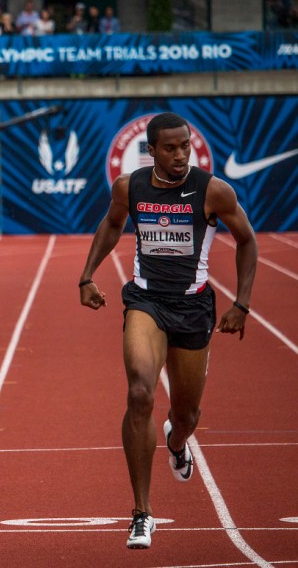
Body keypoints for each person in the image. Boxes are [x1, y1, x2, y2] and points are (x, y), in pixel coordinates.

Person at [78, 112, 258, 550]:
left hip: (193, 307)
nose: (181, 155)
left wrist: (242, 304)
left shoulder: (213, 190)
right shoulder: (131, 187)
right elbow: (112, 224)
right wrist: (87, 277)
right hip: (146, 300)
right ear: (152, 150)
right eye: (171, 148)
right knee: (140, 392)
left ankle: (176, 442)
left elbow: (248, 241)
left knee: (186, 416)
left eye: (186, 147)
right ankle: (142, 513)